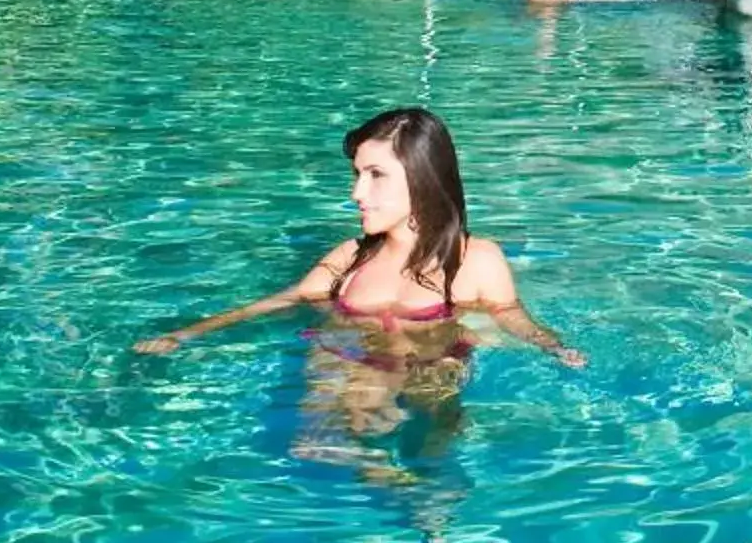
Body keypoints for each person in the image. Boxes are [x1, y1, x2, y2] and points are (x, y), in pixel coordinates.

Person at [135, 107, 584, 368]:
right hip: (343, 376)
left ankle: (426, 504)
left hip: (430, 380)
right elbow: (281, 300)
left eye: (375, 176)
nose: (356, 193)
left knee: (433, 393)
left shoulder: (475, 261)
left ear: (422, 179)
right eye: (356, 175)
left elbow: (510, 315)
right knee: (315, 444)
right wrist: (187, 333)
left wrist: (554, 347)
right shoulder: (351, 257)